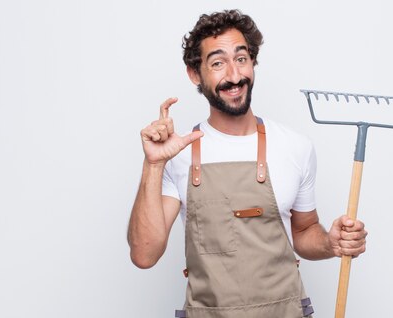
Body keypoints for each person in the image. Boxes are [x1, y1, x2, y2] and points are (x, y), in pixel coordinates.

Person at [127, 9, 367, 318]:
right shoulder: (179, 155)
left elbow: (304, 232)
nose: (234, 75)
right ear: (195, 73)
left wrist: (331, 242)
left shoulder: (294, 147)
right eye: (217, 63)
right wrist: (153, 164)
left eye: (241, 59)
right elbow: (144, 254)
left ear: (252, 62)